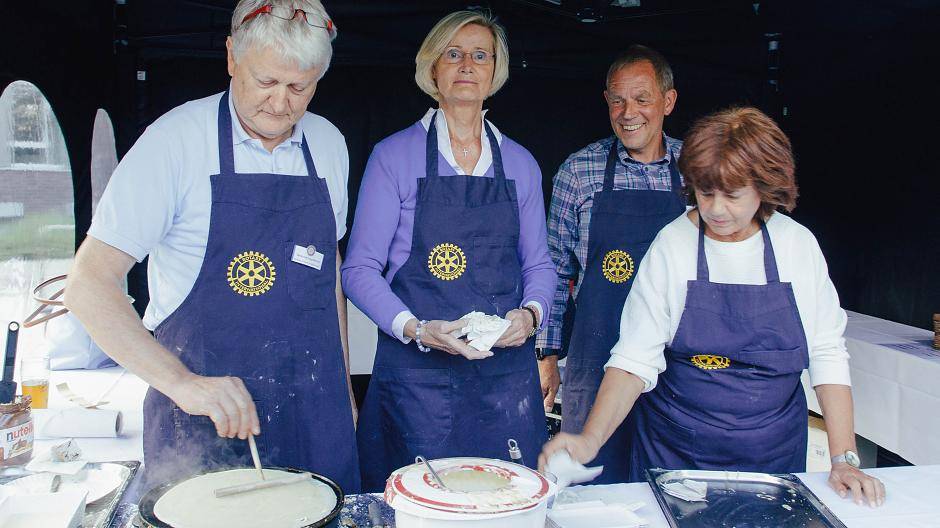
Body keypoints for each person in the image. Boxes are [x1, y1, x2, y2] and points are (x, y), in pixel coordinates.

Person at [64, 0, 360, 492]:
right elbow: (88, 284)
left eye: (299, 87)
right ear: (231, 58)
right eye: (266, 81)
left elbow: (326, 272)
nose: (281, 103)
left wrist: (343, 388)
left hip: (315, 413)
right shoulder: (174, 142)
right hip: (203, 426)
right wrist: (182, 384)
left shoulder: (328, 143)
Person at [540, 107, 887, 507]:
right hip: (677, 455)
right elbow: (634, 360)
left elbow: (827, 353)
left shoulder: (796, 245)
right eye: (706, 193)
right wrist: (589, 440)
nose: (717, 210)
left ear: (764, 187)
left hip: (773, 456)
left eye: (733, 195)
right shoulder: (673, 245)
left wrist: (844, 458)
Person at [341, 10, 555, 492]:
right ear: (432, 68)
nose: (467, 66)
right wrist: (416, 328)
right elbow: (359, 270)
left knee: (503, 506)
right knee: (416, 505)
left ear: (495, 71)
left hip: (504, 380)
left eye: (480, 56)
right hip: (416, 380)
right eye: (453, 54)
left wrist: (531, 316)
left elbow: (539, 264)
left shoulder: (520, 163)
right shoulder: (393, 156)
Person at [535, 45, 685, 483]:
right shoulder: (579, 171)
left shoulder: (698, 169)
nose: (628, 112)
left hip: (679, 363)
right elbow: (553, 269)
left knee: (675, 488)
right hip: (595, 361)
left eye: (642, 99)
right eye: (617, 100)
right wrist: (546, 354)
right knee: (594, 489)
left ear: (668, 101)